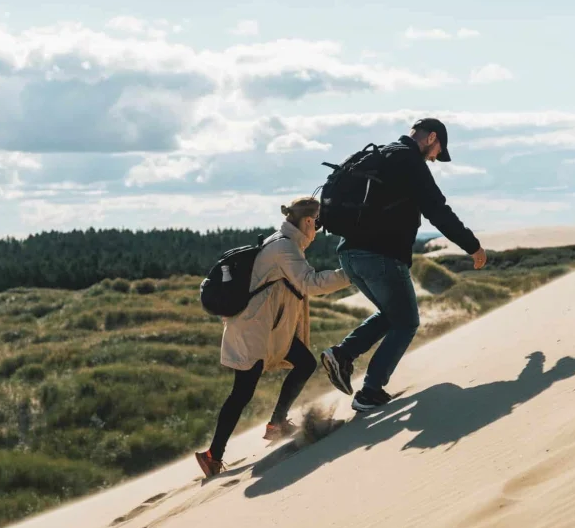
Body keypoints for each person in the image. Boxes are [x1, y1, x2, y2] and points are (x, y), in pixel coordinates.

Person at [320, 117, 487, 412]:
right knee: (407, 322)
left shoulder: (381, 155)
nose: (435, 159)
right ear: (431, 138)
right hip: (381, 255)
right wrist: (472, 246)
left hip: (349, 253)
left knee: (392, 314)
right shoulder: (410, 161)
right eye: (438, 152)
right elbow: (438, 210)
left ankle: (342, 354)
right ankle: (370, 391)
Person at [195, 197, 351, 478]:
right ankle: (212, 455)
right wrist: (350, 274)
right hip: (253, 332)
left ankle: (276, 423)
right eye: (318, 224)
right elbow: (310, 283)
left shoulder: (284, 243)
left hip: (269, 330)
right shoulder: (284, 247)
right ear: (306, 222)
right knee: (242, 392)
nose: (318, 230)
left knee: (304, 363)